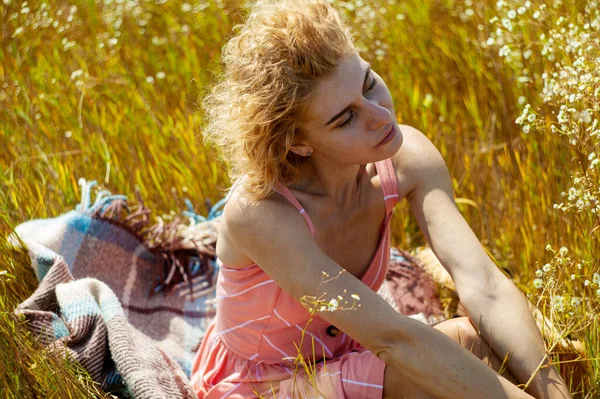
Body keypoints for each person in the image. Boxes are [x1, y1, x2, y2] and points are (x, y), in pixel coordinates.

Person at [190, 0, 572, 397]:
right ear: (299, 143)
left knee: (477, 347)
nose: (380, 116)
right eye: (346, 118)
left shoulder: (407, 160)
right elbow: (393, 338)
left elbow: (484, 284)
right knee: (435, 371)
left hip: (352, 350)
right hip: (262, 381)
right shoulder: (261, 213)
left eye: (369, 83)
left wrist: (556, 393)